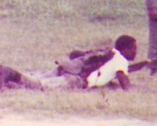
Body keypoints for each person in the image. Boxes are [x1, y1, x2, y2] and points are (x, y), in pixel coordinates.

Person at [2, 35, 147, 91]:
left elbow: (75, 54)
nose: (136, 52)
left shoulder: (108, 52)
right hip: (75, 78)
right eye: (134, 49)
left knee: (36, 79)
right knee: (40, 86)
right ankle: (11, 73)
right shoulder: (120, 60)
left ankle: (11, 81)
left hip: (67, 67)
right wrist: (140, 90)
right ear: (126, 49)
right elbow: (125, 85)